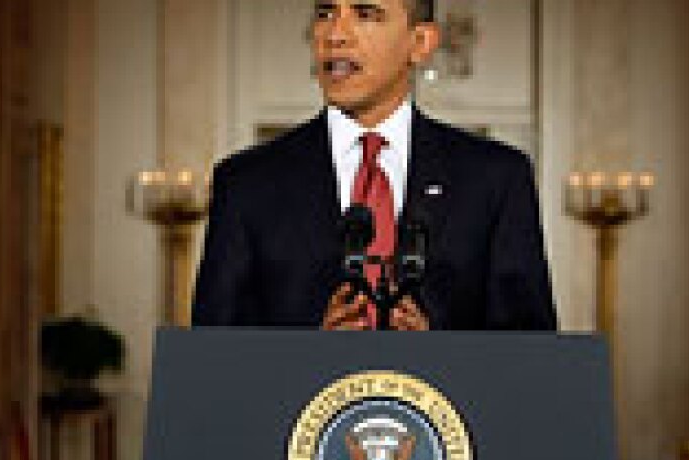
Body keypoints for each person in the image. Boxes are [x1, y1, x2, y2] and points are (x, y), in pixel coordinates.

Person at [192, 0, 557, 331]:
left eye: (365, 14)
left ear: (420, 43)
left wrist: (441, 360)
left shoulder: (496, 180)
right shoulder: (245, 184)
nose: (335, 34)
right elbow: (214, 365)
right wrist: (309, 357)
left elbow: (529, 362)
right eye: (325, 13)